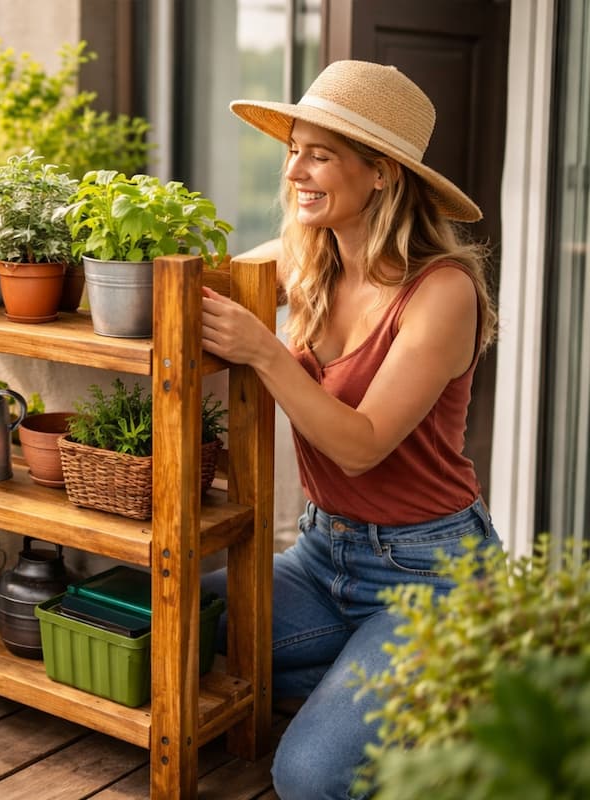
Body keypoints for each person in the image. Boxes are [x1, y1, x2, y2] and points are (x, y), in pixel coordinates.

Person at [199, 60, 503, 799]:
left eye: (320, 155)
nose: (294, 172)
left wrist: (265, 351)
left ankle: (441, 679)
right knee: (161, 627)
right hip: (320, 557)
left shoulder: (443, 291)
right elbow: (198, 288)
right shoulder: (308, 258)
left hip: (428, 578)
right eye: (292, 150)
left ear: (382, 174)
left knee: (309, 777)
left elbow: (360, 446)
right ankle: (387, 687)